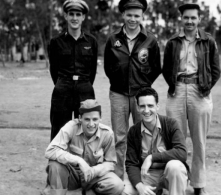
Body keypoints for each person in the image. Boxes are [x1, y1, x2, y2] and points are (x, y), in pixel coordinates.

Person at [162, 3, 221, 195]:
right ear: (181, 19)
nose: (189, 21)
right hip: (177, 90)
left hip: (200, 91)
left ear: (199, 19)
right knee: (175, 140)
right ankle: (177, 181)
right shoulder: (172, 42)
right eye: (186, 17)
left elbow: (215, 70)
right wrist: (174, 84)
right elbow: (166, 68)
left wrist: (204, 88)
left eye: (193, 18)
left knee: (199, 141)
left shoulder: (208, 41)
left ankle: (198, 184)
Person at [104, 0, 161, 179]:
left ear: (142, 16)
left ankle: (141, 177)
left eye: (137, 15)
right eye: (129, 15)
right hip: (118, 94)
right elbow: (108, 67)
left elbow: (156, 67)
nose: (132, 19)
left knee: (142, 136)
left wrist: (143, 85)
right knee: (120, 138)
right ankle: (120, 178)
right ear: (123, 15)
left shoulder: (150, 40)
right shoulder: (113, 39)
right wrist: (119, 81)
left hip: (141, 97)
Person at [43, 99, 124, 195]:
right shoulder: (71, 127)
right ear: (80, 118)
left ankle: (89, 191)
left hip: (93, 176)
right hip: (71, 174)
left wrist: (95, 170)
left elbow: (111, 162)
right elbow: (50, 151)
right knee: (55, 164)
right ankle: (57, 192)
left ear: (100, 118)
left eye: (95, 119)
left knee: (117, 185)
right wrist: (79, 161)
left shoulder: (107, 133)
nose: (91, 124)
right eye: (87, 119)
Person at [48, 0, 98, 141]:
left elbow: (92, 71)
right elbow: (54, 69)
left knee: (86, 128)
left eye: (78, 14)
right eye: (71, 14)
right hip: (62, 90)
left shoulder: (91, 41)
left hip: (85, 90)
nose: (74, 18)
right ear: (65, 16)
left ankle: (84, 161)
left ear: (83, 17)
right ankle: (57, 162)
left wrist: (84, 84)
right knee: (59, 129)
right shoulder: (56, 42)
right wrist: (63, 83)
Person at [125, 87, 189, 195]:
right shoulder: (133, 131)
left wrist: (152, 157)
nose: (146, 110)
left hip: (169, 174)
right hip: (148, 175)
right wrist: (140, 186)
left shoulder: (170, 124)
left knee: (175, 166)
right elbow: (131, 164)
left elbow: (182, 152)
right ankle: (156, 191)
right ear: (137, 108)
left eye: (150, 106)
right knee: (125, 191)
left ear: (157, 106)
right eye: (142, 106)